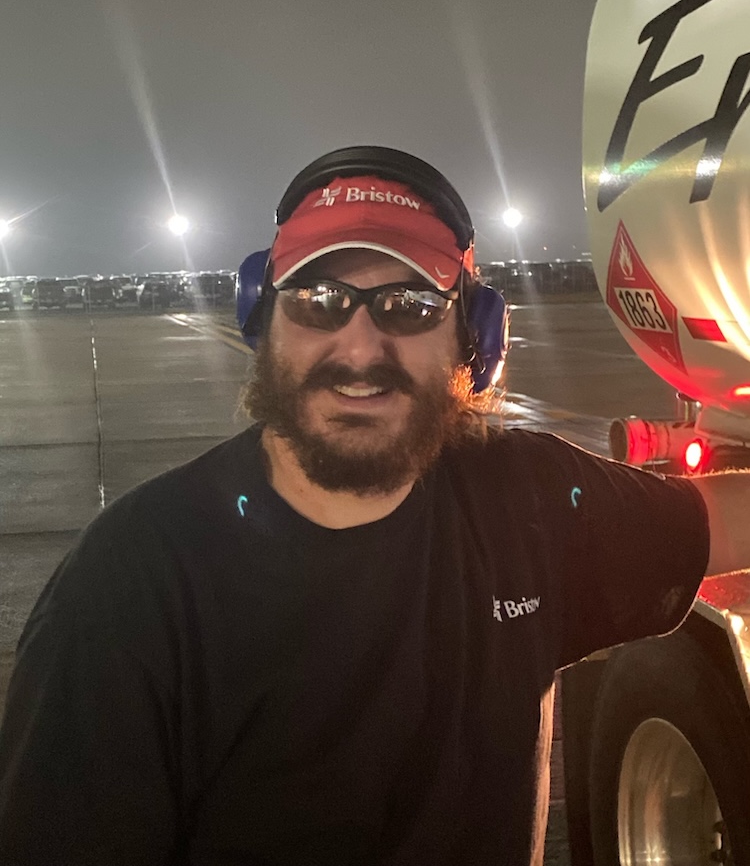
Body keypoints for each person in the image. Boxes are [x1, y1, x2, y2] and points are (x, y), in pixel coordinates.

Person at [0, 145, 746, 866]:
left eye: (409, 305)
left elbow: (721, 522)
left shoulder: (528, 501)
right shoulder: (128, 586)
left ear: (475, 340)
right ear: (263, 317)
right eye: (319, 301)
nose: (360, 350)